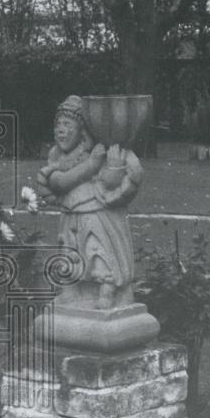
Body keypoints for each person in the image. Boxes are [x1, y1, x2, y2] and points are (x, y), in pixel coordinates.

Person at [36, 95, 143, 310]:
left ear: (82, 131)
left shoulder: (97, 152)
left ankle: (107, 289)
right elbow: (59, 182)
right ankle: (70, 289)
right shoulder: (57, 156)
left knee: (98, 252)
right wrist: (92, 165)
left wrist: (113, 166)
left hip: (95, 214)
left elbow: (115, 182)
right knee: (69, 252)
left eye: (68, 124)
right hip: (71, 214)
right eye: (58, 125)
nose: (60, 130)